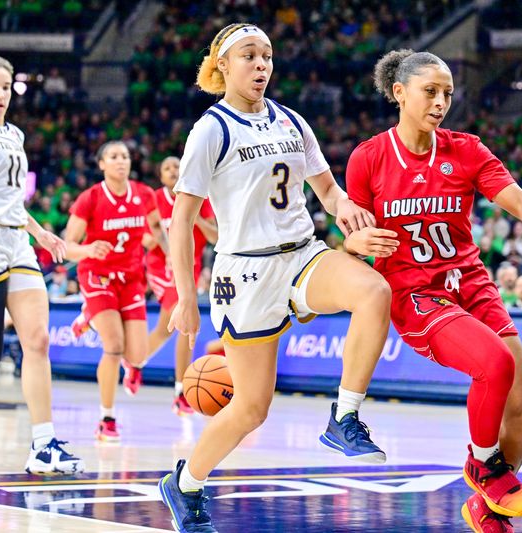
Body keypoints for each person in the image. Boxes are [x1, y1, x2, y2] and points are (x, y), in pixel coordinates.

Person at [158, 23, 394, 532]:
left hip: (302, 252)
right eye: (249, 56)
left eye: (267, 56)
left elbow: (328, 191)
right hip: (244, 270)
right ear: (223, 64)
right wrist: (185, 296)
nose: (261, 65)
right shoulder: (211, 130)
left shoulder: (290, 119)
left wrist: (347, 208)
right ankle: (186, 483)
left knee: (374, 291)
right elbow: (180, 222)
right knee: (250, 409)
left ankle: (344, 418)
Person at [345, 49, 522, 532]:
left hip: (470, 284)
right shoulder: (368, 158)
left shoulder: (467, 149)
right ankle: (482, 462)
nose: (440, 102)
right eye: (430, 91)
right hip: (414, 293)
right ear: (399, 92)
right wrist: (357, 240)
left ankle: (486, 508)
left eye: (447, 93)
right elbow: (352, 239)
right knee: (494, 363)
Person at [0, 55, 84, 474]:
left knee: (37, 340)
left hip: (17, 242)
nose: (2, 94)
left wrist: (40, 233)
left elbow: (12, 199)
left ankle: (43, 445)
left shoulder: (16, 134)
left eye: (7, 87)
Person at [64, 140, 168, 442]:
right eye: (113, 156)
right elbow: (67, 247)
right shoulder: (90, 198)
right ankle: (106, 419)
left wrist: (165, 252)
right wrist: (87, 249)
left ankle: (98, 328)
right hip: (98, 277)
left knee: (136, 354)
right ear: (102, 164)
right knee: (113, 346)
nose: (121, 161)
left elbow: (156, 231)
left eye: (124, 156)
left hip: (132, 279)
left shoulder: (144, 194)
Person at [144, 156, 218, 415]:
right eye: (166, 168)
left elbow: (215, 237)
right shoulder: (153, 198)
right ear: (161, 177)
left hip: (188, 266)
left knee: (168, 329)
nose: (173, 170)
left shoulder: (199, 195)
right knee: (180, 322)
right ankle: (180, 391)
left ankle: (136, 362)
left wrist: (192, 217)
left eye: (176, 166)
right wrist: (164, 246)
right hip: (159, 265)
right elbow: (145, 237)